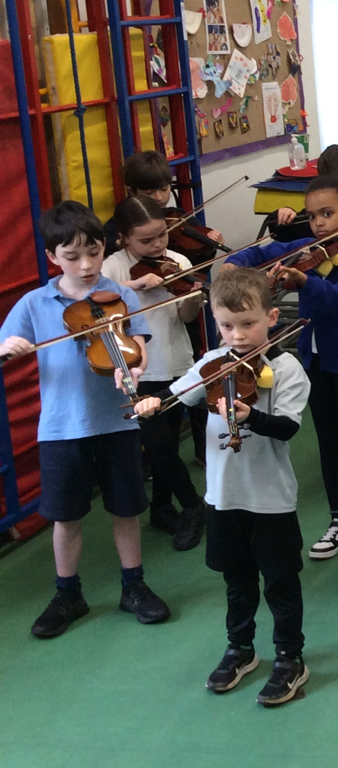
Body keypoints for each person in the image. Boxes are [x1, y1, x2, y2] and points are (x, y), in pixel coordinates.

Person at [135, 268, 312, 706]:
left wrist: (251, 416)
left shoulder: (285, 368)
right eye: (227, 326)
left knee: (280, 583)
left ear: (272, 317)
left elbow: (287, 428)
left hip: (270, 500)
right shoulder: (212, 364)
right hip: (223, 497)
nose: (238, 336)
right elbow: (176, 395)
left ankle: (290, 656)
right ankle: (241, 648)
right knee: (236, 581)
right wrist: (154, 400)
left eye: (248, 323)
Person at [0, 201, 169, 638]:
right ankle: (67, 594)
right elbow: (5, 346)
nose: (87, 265)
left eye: (94, 252)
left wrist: (134, 368)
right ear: (52, 256)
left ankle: (134, 585)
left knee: (126, 509)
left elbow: (137, 346)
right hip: (61, 427)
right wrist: (8, 349)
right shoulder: (34, 303)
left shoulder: (121, 296)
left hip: (117, 420)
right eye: (72, 256)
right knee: (66, 515)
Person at [227, 174, 338, 564]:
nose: (317, 223)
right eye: (312, 216)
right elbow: (266, 251)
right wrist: (236, 264)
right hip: (316, 362)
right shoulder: (309, 248)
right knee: (329, 443)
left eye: (327, 214)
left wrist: (305, 282)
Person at [103, 195, 208, 551]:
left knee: (169, 441)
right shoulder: (113, 268)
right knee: (159, 444)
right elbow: (100, 306)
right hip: (138, 368)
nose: (157, 245)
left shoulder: (177, 261)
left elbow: (186, 317)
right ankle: (193, 505)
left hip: (175, 359)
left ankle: (162, 508)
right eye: (146, 240)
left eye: (162, 235)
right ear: (123, 238)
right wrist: (134, 286)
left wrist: (192, 297)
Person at [102, 149, 223, 260]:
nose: (158, 197)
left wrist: (209, 249)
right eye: (149, 193)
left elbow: (199, 268)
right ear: (132, 191)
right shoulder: (118, 225)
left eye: (164, 189)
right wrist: (120, 246)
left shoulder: (182, 219)